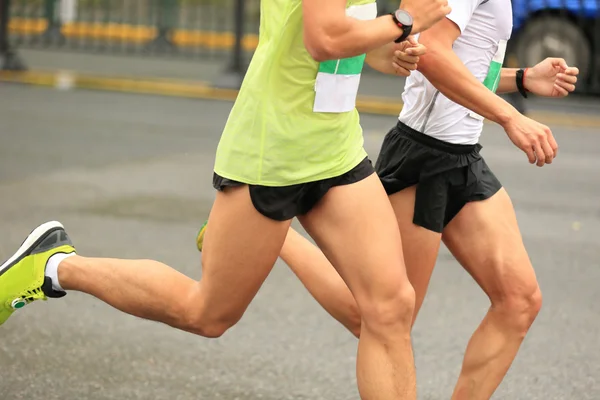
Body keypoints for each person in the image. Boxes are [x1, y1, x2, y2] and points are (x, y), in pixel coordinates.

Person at [0, 1, 452, 399]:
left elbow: (344, 37)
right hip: (272, 154)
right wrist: (405, 20)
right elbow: (323, 38)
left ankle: (268, 238)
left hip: (335, 151)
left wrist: (388, 50)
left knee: (389, 309)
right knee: (207, 314)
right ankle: (53, 264)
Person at [198, 1, 580, 399]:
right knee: (377, 315)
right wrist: (510, 116)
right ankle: (273, 235)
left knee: (520, 301)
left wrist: (520, 78)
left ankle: (269, 233)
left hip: (464, 154)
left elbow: (463, 58)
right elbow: (432, 54)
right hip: (424, 156)